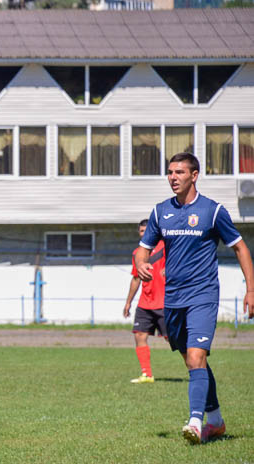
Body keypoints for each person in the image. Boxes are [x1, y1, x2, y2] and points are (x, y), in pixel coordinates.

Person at [136, 152, 254, 444]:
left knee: (196, 356)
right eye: (170, 172)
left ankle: (195, 423)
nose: (172, 177)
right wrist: (141, 262)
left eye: (179, 172)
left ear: (194, 175)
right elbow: (143, 248)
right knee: (192, 362)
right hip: (172, 299)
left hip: (203, 295)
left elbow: (240, 248)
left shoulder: (212, 211)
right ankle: (215, 420)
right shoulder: (160, 211)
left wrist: (251, 289)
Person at [123, 219, 167, 384]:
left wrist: (170, 269)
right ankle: (147, 374)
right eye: (141, 231)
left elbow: (181, 260)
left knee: (174, 339)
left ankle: (196, 368)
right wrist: (128, 302)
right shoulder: (137, 254)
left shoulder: (165, 246)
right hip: (145, 303)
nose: (143, 234)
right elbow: (135, 279)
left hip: (164, 302)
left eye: (146, 231)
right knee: (139, 336)